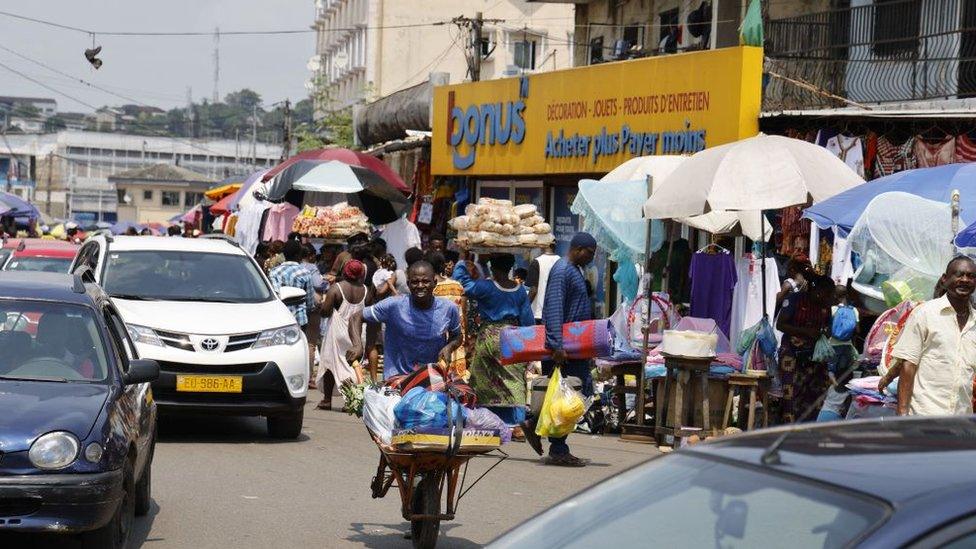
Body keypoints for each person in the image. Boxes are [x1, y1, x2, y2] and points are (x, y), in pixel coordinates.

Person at [522, 232, 597, 467]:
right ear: (579, 249)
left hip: (573, 346)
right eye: (590, 253)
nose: (591, 258)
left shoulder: (574, 270)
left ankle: (537, 426)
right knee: (565, 397)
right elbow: (554, 307)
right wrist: (556, 345)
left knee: (566, 395)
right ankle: (556, 446)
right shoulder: (563, 270)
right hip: (562, 348)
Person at [454, 252, 534, 438]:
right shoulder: (520, 290)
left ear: (492, 267)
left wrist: (463, 261)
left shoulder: (486, 287)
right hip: (513, 337)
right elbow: (527, 319)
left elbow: (462, 283)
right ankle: (518, 424)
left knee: (483, 380)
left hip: (489, 337)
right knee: (514, 379)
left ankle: (487, 420)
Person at [888, 256, 976, 416]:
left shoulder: (975, 322)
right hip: (924, 418)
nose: (965, 280)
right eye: (959, 274)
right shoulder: (924, 314)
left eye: (971, 276)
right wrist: (902, 415)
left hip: (961, 422)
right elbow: (908, 365)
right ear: (944, 279)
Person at [348, 261, 462, 379]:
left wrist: (449, 347)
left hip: (432, 383)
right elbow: (356, 317)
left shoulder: (448, 309)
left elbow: (457, 336)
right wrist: (357, 345)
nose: (420, 285)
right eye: (415, 282)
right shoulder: (394, 305)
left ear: (435, 283)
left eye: (426, 281)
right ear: (408, 284)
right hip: (397, 383)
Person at [776, 274, 834, 424]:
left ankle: (808, 426)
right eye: (828, 295)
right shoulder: (795, 299)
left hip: (814, 356)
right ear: (819, 292)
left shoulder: (825, 307)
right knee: (791, 394)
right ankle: (788, 427)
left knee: (816, 392)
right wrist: (805, 332)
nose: (830, 299)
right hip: (792, 354)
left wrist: (824, 333)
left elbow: (829, 327)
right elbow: (780, 325)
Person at [317, 259, 369, 410]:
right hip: (358, 333)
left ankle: (327, 400)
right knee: (352, 365)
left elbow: (325, 312)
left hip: (337, 331)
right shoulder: (366, 290)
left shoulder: (336, 288)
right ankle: (349, 400)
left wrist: (321, 305)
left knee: (330, 364)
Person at [816, 284, 860, 421]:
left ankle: (826, 407)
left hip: (832, 347)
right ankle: (842, 408)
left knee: (830, 377)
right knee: (845, 377)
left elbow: (828, 328)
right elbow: (857, 330)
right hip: (847, 347)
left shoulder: (833, 309)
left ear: (835, 296)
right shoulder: (855, 311)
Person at [429, 251, 468, 378]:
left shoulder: (430, 289)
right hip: (457, 337)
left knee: (438, 376)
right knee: (457, 378)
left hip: (439, 338)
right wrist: (465, 336)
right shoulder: (457, 286)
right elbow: (464, 314)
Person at [268, 240, 316, 330]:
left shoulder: (274, 272)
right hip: (299, 319)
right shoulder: (305, 273)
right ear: (298, 255)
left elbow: (275, 295)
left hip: (280, 318)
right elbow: (310, 303)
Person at [301, 243, 327, 388]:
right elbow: (318, 283)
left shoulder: (291, 267)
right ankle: (309, 377)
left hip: (294, 309)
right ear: (310, 255)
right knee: (310, 343)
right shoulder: (311, 268)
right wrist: (326, 282)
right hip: (311, 309)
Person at [526, 242, 560, 324]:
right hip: (556, 313)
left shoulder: (537, 262)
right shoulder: (561, 261)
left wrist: (525, 307)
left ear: (542, 246)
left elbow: (533, 290)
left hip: (539, 314)